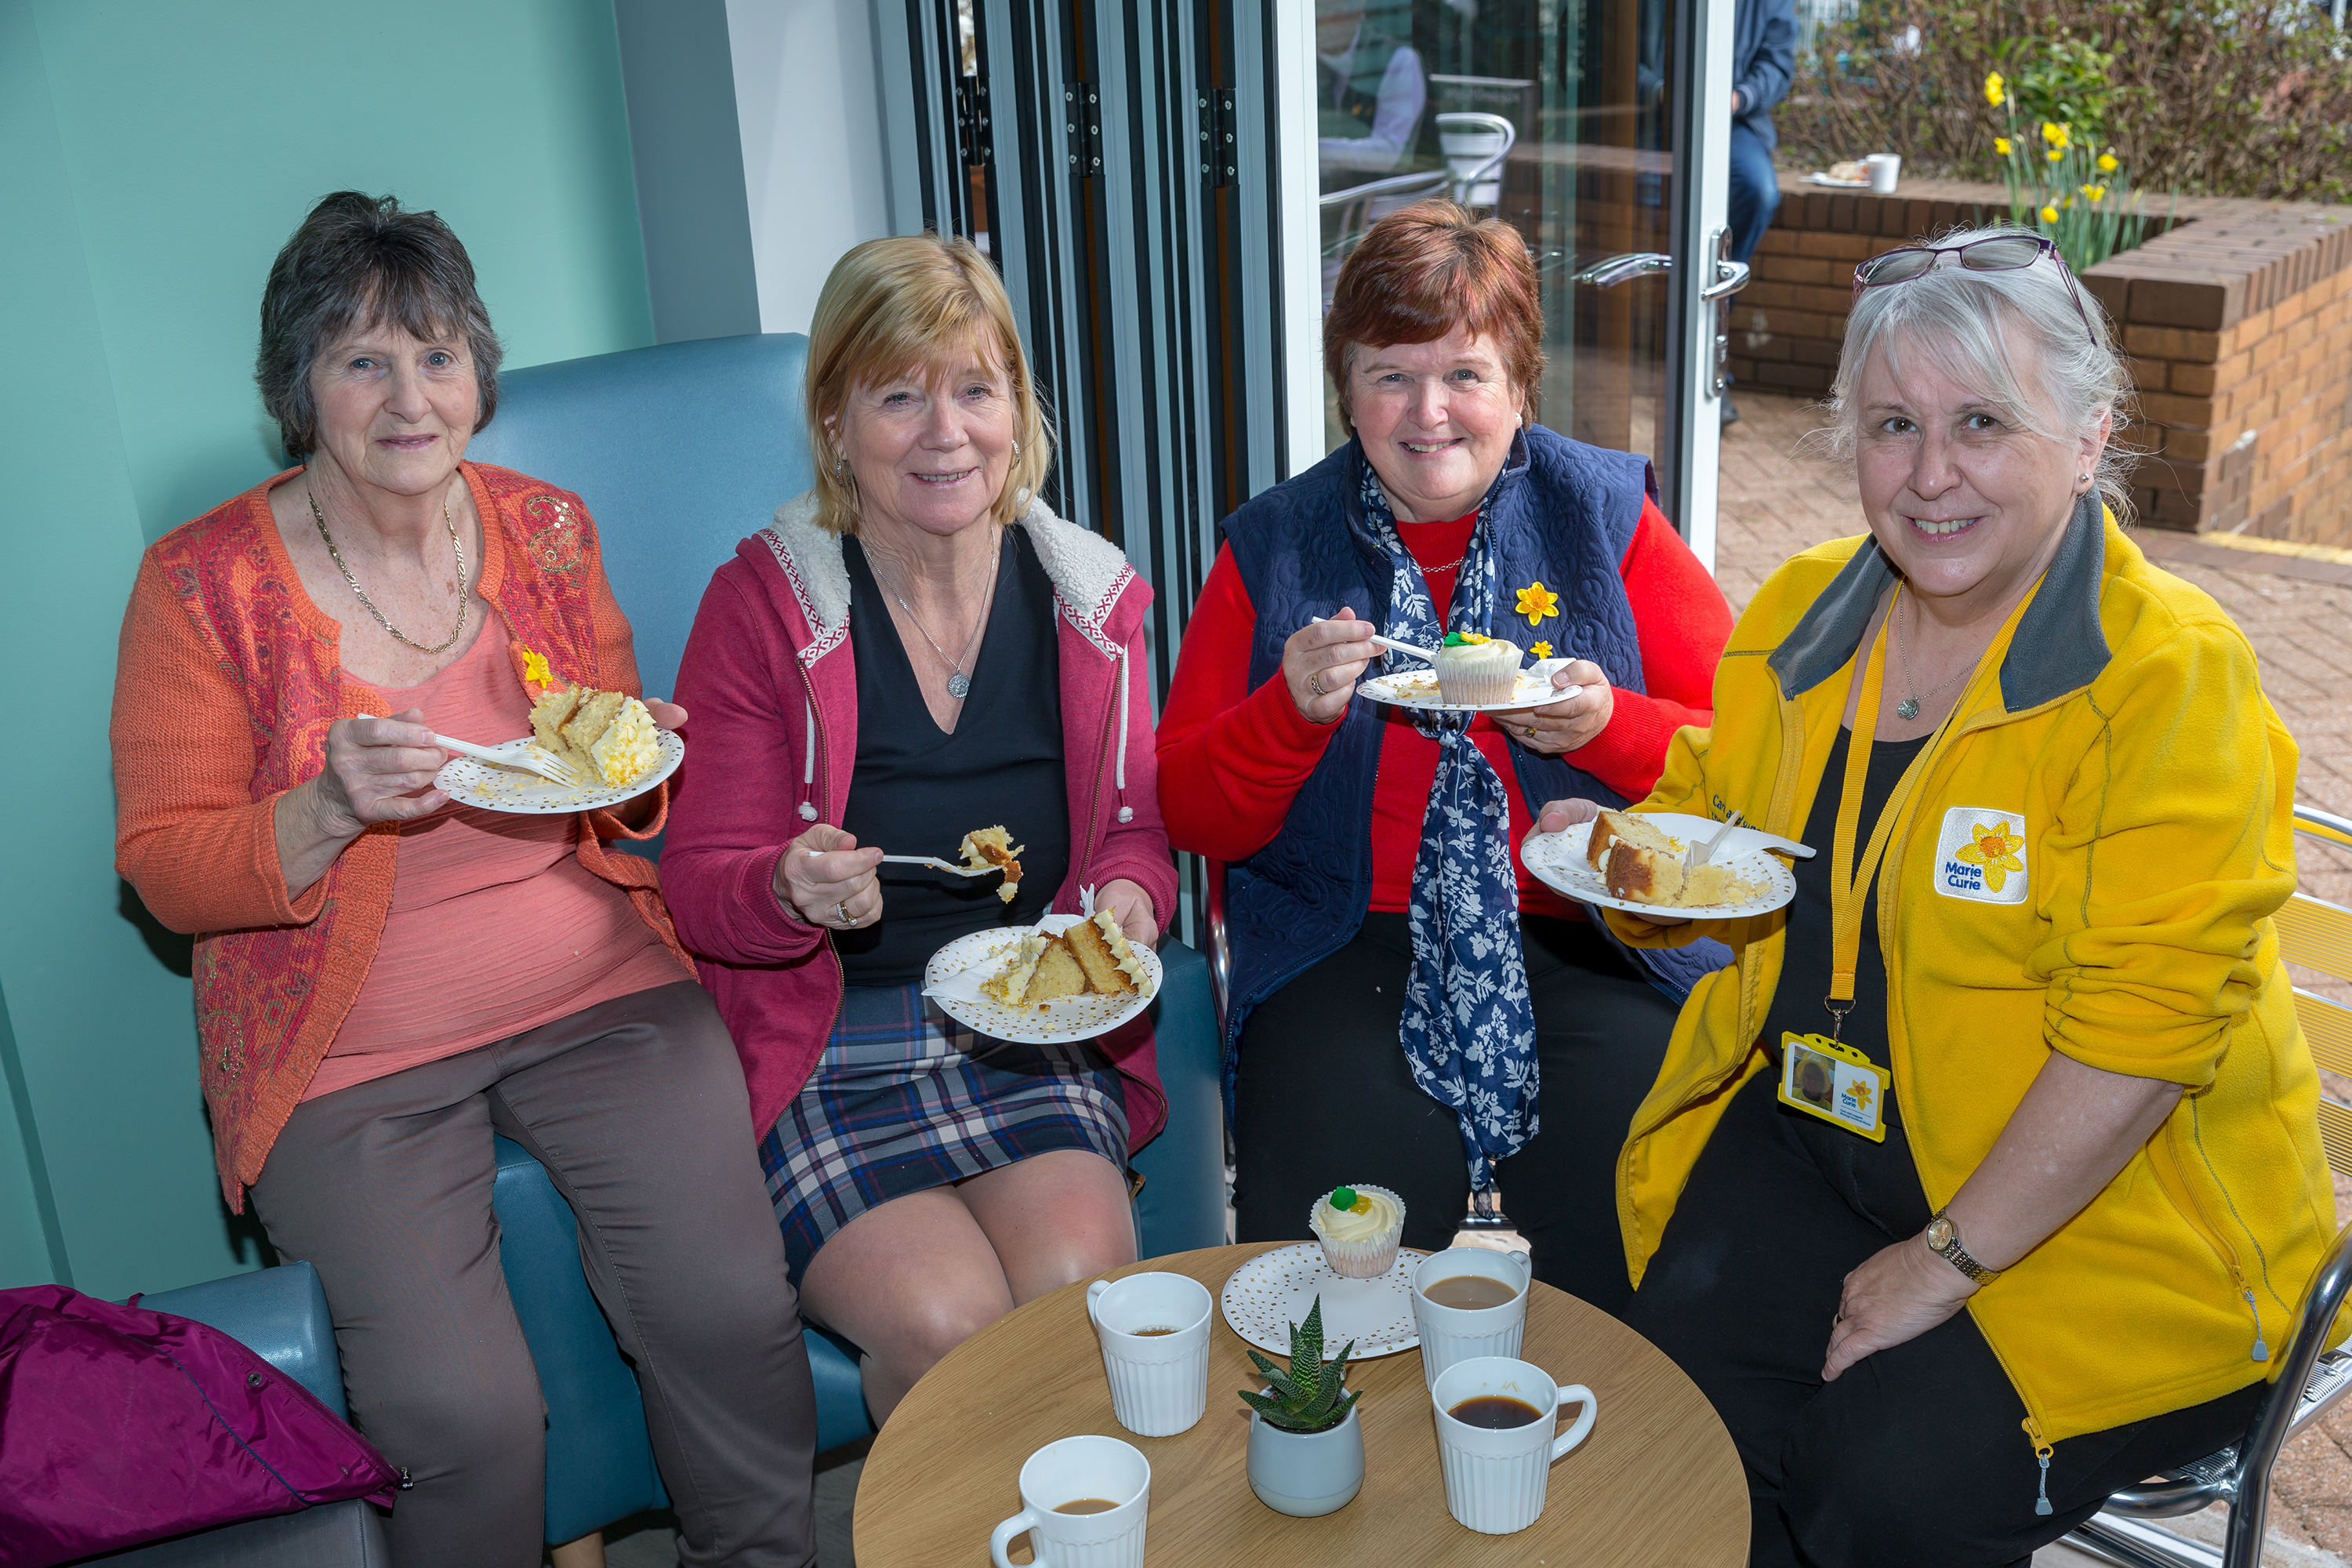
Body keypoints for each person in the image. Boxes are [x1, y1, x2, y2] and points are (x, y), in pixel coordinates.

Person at [1544, 227, 2337, 1566]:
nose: (1930, 475)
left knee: (1879, 1486)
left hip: (2108, 1223)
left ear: (2088, 439)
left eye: (1983, 422)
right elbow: (1707, 812)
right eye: (1893, 424)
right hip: (1822, 1142)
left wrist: (1944, 1263)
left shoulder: (2163, 677)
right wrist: (1622, 859)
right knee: (1669, 1416)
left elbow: (2141, 1038)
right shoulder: (1805, 618)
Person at [110, 192, 816, 1568]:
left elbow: (609, 767)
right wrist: (319, 811)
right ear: (297, 385)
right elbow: (163, 867)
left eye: (436, 355)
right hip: (349, 1054)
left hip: (600, 990)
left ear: (479, 374)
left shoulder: (547, 529)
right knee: (463, 1417)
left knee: (733, 1315)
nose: (408, 395)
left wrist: (644, 762)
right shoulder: (199, 586)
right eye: (361, 359)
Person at [1158, 199, 1735, 1314]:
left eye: (1465, 373)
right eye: (1388, 375)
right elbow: (1190, 808)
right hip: (1345, 935)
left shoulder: (1604, 518)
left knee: (1651, 1188)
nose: (1428, 413)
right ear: (1346, 390)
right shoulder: (1275, 542)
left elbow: (1750, 755)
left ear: (1522, 383)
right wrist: (1287, 714)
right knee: (1333, 1249)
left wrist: (1609, 725)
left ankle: (1623, 1457)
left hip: (1586, 928)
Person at [662, 234, 1174, 1423]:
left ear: (1017, 410)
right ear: (836, 421)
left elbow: (1131, 835)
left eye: (976, 389)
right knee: (948, 1327)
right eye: (900, 396)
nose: (947, 433)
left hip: (1026, 1025)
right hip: (829, 1041)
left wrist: (1131, 897)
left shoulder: (1093, 600)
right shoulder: (762, 606)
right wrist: (787, 888)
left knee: (1082, 1290)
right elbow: (696, 884)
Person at [1724, 0, 1798, 426]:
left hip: (1736, 121)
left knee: (1758, 190)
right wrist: (1658, 91)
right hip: (1648, 118)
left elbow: (1776, 64)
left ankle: (1713, 355)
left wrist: (1738, 98)